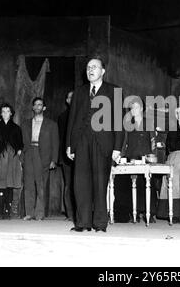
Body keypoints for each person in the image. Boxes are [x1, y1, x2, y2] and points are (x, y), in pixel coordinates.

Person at [66, 56, 124, 233]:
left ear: (103, 71)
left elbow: (119, 122)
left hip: (103, 143)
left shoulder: (114, 91)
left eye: (95, 67)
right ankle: (83, 222)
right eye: (88, 67)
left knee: (100, 183)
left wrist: (117, 147)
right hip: (82, 142)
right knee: (80, 183)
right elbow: (72, 120)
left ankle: (99, 223)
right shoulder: (79, 92)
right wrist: (69, 144)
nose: (90, 70)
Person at [116, 98, 157, 223]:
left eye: (136, 107)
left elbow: (153, 142)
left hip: (146, 159)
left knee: (147, 184)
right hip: (131, 158)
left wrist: (153, 157)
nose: (133, 110)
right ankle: (131, 212)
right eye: (131, 107)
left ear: (142, 109)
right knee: (125, 184)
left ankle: (149, 213)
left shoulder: (149, 123)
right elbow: (124, 143)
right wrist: (120, 157)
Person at [21, 97, 59, 221]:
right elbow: (21, 142)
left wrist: (54, 159)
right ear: (32, 107)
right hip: (29, 153)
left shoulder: (51, 124)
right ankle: (29, 213)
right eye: (35, 105)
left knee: (41, 184)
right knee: (28, 184)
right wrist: (22, 156)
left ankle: (39, 213)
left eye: (40, 105)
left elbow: (55, 143)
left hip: (43, 155)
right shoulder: (25, 123)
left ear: (44, 108)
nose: (37, 107)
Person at [0, 103, 24, 219]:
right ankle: (0, 211)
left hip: (12, 158)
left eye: (8, 111)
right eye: (3, 111)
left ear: (11, 113)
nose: (5, 113)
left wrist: (18, 152)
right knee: (1, 185)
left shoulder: (16, 128)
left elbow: (20, 145)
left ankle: (7, 211)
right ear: (0, 113)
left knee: (10, 185)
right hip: (0, 158)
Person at [57, 90, 75, 221]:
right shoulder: (62, 117)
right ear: (67, 101)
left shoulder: (84, 114)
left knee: (82, 184)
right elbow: (61, 139)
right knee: (69, 184)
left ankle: (83, 212)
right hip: (66, 157)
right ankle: (70, 214)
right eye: (70, 97)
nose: (72, 99)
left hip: (82, 155)